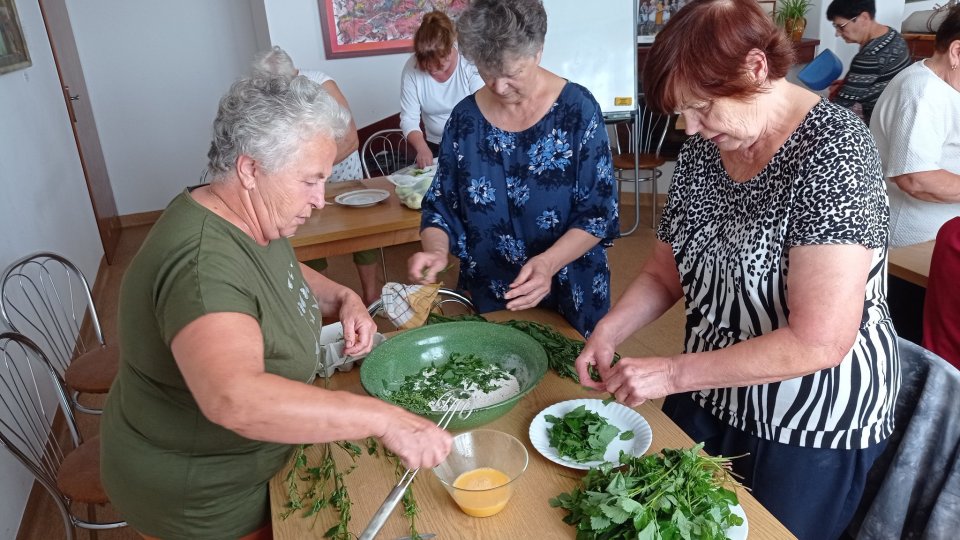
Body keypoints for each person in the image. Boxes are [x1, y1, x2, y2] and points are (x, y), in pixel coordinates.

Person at [574, 1, 898, 538]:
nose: (691, 128)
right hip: (711, 389)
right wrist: (609, 329)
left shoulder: (835, 152)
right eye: (682, 113)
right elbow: (664, 273)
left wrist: (672, 373)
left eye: (700, 108)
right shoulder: (709, 147)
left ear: (755, 69)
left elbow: (820, 342)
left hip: (810, 417)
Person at [99, 75, 452, 540]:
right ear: (249, 169)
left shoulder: (239, 212)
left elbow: (277, 273)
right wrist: (383, 419)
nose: (319, 199)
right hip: (208, 504)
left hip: (267, 465)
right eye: (310, 180)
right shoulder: (201, 266)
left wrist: (343, 296)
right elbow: (235, 397)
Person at [407, 0, 619, 337]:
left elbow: (597, 214)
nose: (498, 86)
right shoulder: (465, 121)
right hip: (491, 293)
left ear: (538, 52)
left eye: (511, 74)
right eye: (486, 73)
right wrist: (435, 251)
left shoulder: (578, 110)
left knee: (574, 382)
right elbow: (440, 207)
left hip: (570, 286)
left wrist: (548, 263)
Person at [251, 46, 382, 305]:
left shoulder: (322, 84)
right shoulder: (273, 96)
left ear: (293, 74)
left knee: (361, 234)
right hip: (303, 176)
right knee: (307, 232)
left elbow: (352, 139)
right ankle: (315, 301)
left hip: (342, 172)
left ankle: (371, 296)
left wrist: (316, 168)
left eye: (279, 85)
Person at [870, 4, 960, 247]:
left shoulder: (948, 87)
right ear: (957, 52)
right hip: (913, 245)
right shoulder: (921, 92)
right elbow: (915, 178)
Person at [400, 10, 485, 168]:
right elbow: (408, 119)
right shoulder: (411, 69)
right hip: (434, 146)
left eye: (439, 65)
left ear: (450, 51)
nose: (432, 70)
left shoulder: (468, 61)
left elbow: (483, 109)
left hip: (472, 144)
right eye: (426, 65)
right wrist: (422, 148)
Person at [825, 0, 911, 124]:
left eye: (841, 26)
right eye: (835, 26)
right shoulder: (893, 35)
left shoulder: (869, 56)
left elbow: (839, 108)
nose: (837, 34)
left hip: (879, 128)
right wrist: (848, 84)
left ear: (864, 18)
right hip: (899, 115)